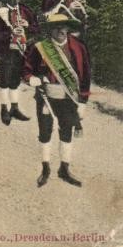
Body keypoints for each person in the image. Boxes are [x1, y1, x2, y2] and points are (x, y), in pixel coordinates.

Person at [23, 14, 91, 187]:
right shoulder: (40, 48)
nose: (60, 30)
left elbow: (86, 76)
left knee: (66, 131)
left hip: (69, 98)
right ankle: (45, 169)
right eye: (56, 27)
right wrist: (32, 78)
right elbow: (26, 69)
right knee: (45, 131)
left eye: (64, 27)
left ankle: (64, 169)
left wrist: (83, 101)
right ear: (49, 29)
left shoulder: (78, 47)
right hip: (46, 96)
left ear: (68, 28)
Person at [0, 0, 38, 125]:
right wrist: (9, 34)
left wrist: (27, 25)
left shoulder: (25, 11)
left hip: (22, 50)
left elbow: (37, 29)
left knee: (16, 80)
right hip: (6, 50)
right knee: (4, 80)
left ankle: (14, 108)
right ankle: (4, 108)